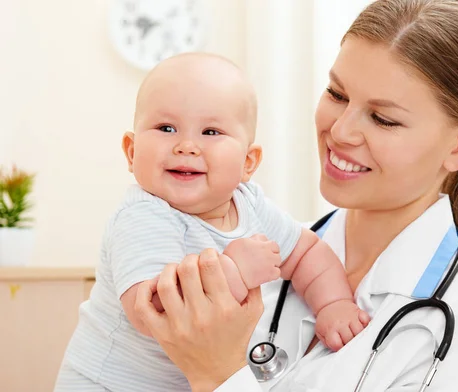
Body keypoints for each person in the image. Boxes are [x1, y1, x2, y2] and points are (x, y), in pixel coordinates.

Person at [134, 0, 458, 391]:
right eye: (337, 94)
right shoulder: (263, 252)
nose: (340, 131)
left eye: (383, 118)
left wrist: (218, 375)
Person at [53, 53, 369, 391]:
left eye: (210, 131)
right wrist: (234, 271)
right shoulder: (144, 216)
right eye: (166, 128)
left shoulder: (250, 204)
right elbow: (155, 312)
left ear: (248, 162)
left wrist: (334, 304)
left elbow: (307, 255)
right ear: (131, 152)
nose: (186, 146)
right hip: (107, 384)